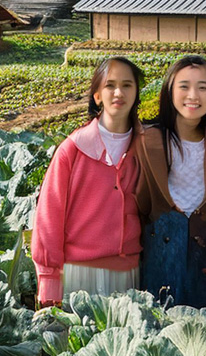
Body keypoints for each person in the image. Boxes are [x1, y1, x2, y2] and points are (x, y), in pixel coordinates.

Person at [134, 55, 206, 322]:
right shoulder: (147, 140)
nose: (193, 95)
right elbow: (138, 202)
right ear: (169, 90)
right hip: (161, 255)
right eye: (184, 86)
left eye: (203, 87)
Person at [32, 56, 145, 306]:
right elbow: (48, 219)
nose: (119, 92)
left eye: (127, 85)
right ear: (97, 96)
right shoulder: (71, 150)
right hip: (78, 272)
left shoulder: (147, 147)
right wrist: (49, 280)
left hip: (127, 272)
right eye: (110, 85)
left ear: (137, 94)